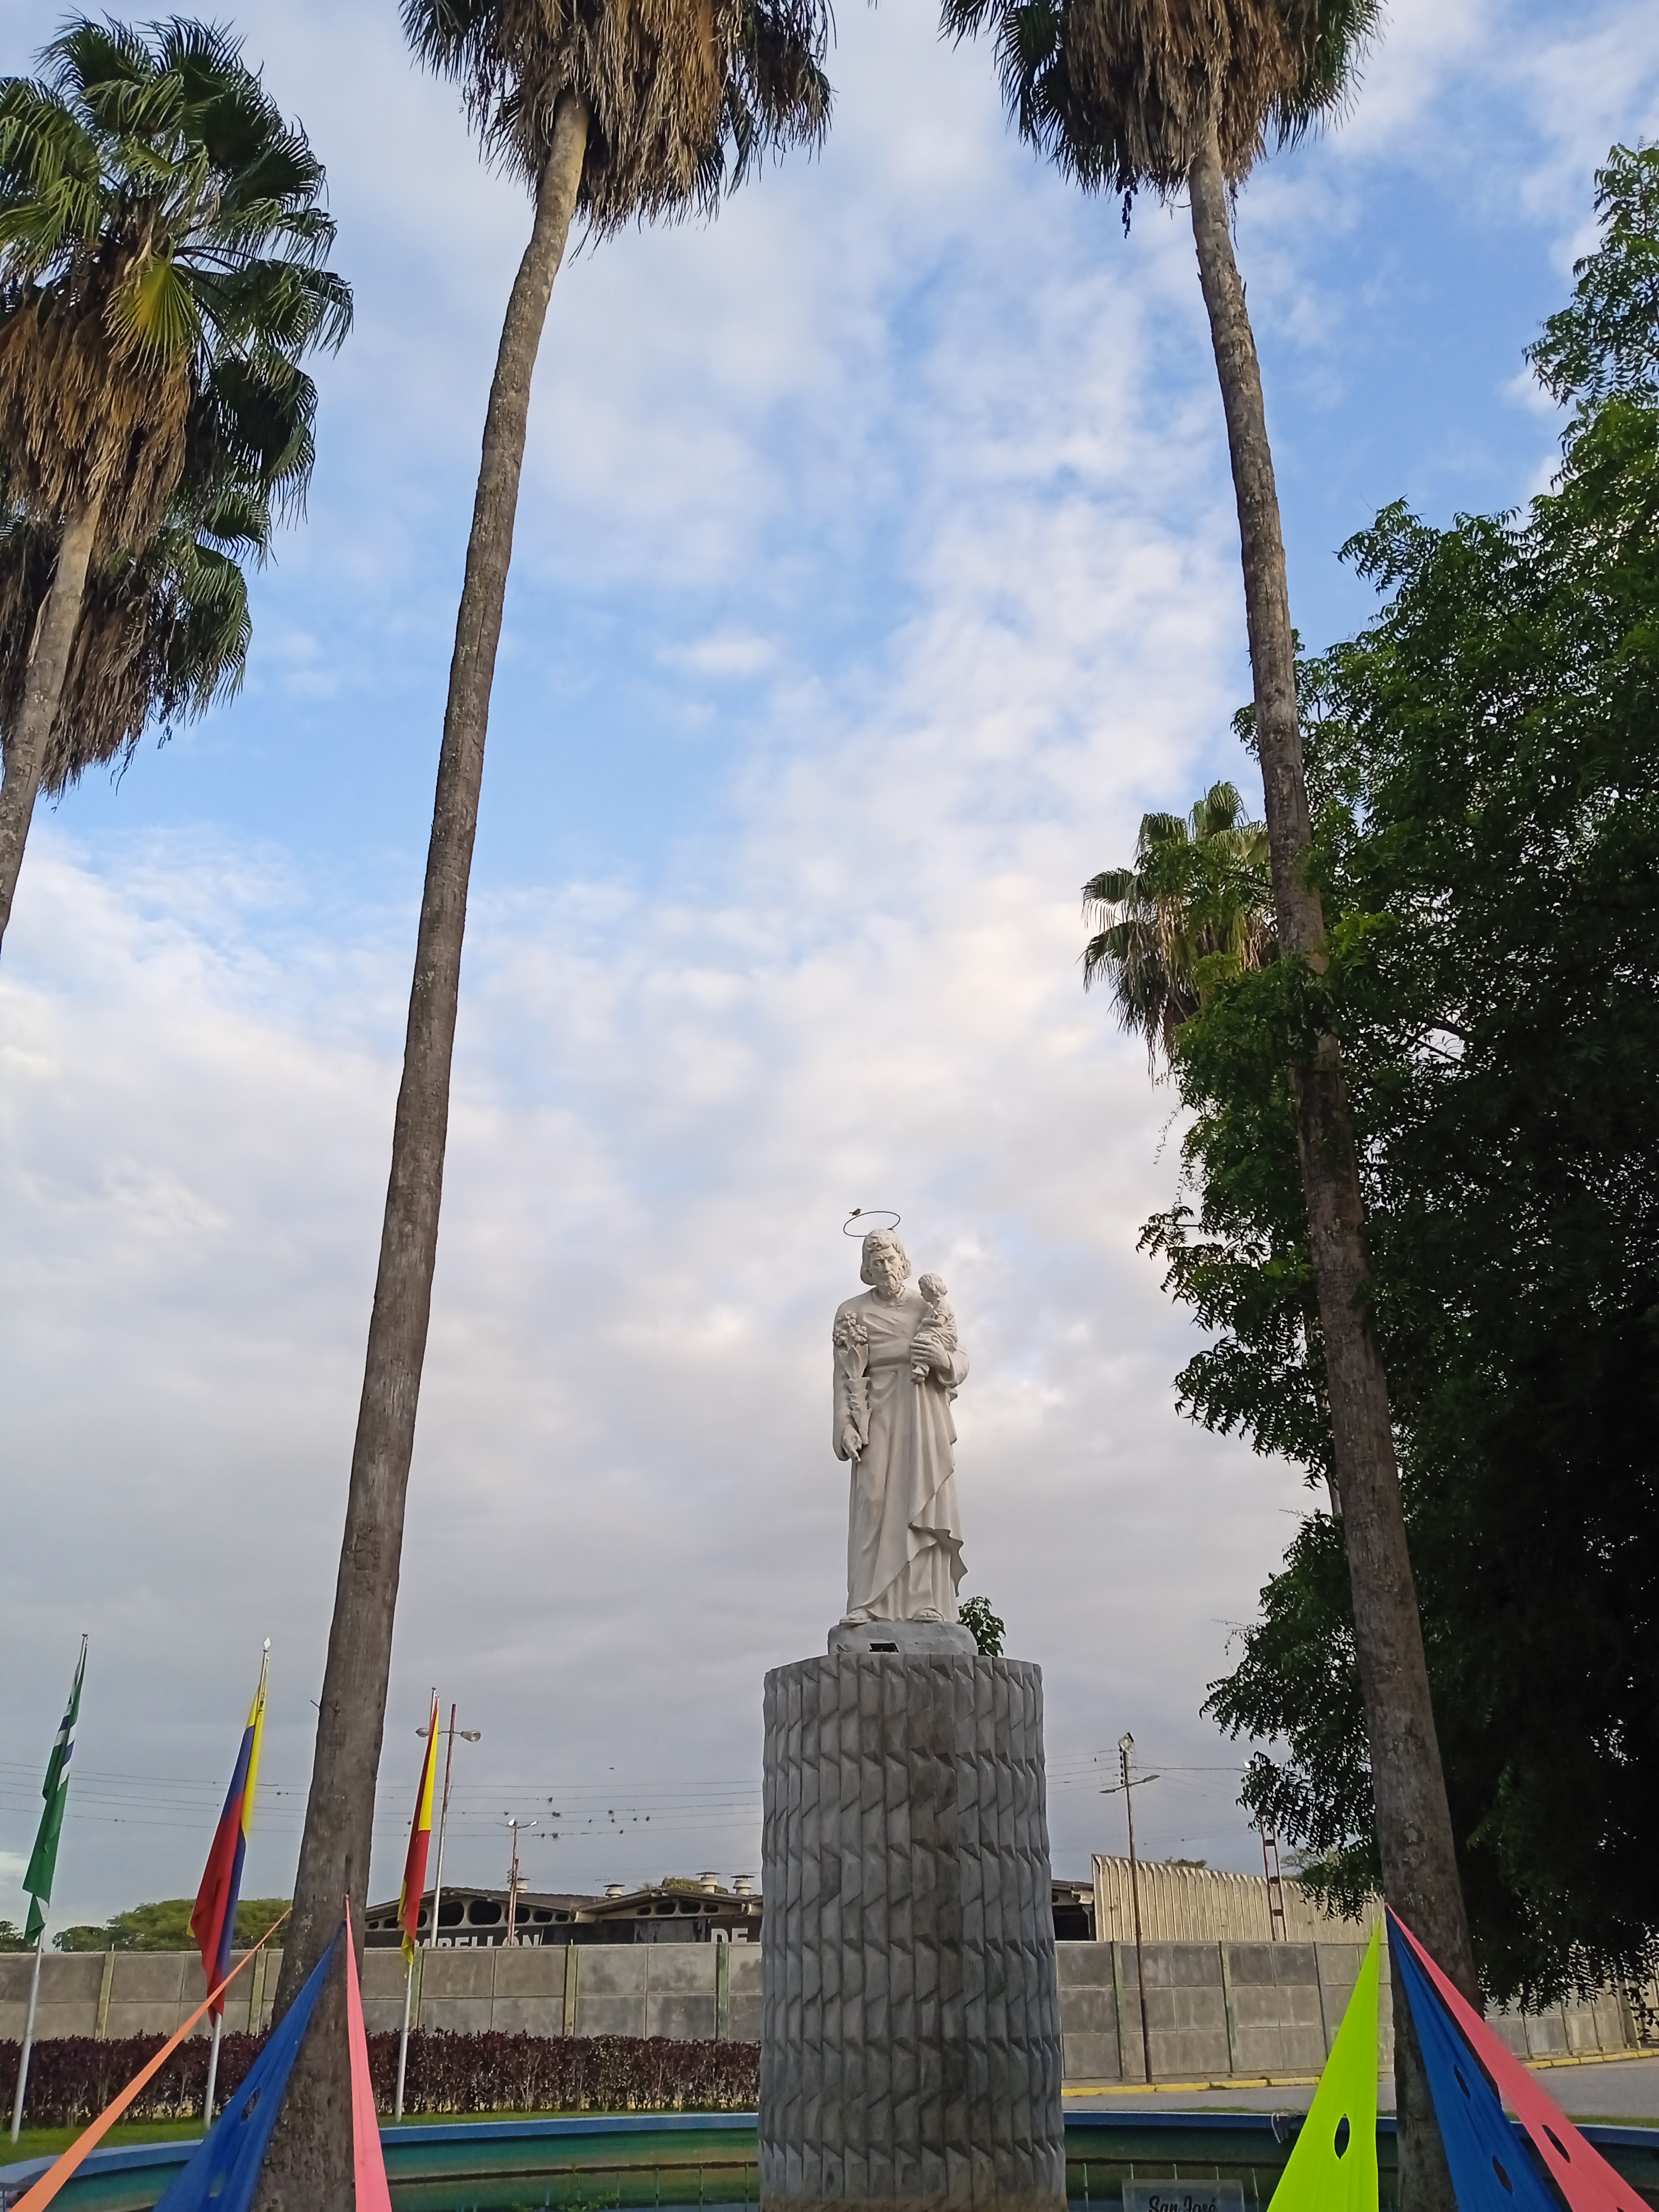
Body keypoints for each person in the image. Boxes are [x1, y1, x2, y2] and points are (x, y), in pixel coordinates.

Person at [832, 1229, 968, 1624]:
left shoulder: (926, 1306)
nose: (886, 1268)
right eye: (877, 1263)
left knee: (920, 1497)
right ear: (867, 1269)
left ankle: (926, 1601)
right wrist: (846, 1425)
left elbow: (960, 1357)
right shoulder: (852, 1312)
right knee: (873, 1501)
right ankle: (867, 1602)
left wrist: (942, 1359)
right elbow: (843, 1376)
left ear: (903, 1262)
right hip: (875, 1413)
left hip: (921, 1410)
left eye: (891, 1259)